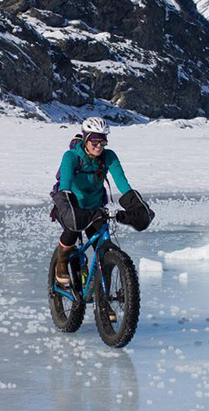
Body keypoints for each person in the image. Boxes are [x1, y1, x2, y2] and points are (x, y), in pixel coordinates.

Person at [52, 117, 154, 286]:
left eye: (103, 141)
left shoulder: (109, 157)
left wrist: (136, 206)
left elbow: (123, 184)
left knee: (105, 248)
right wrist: (69, 208)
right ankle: (61, 263)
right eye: (94, 141)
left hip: (95, 208)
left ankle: (104, 302)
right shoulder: (71, 157)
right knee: (71, 231)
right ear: (86, 139)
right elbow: (65, 186)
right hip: (72, 206)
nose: (99, 146)